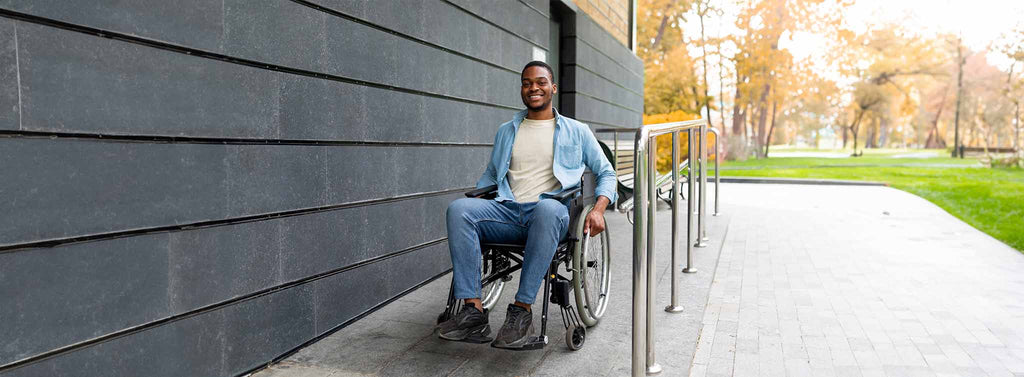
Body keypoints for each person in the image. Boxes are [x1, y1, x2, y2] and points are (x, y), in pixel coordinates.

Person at [437, 61, 617, 349]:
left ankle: (521, 311)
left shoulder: (577, 131)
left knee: (547, 208)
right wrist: (480, 198)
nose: (533, 87)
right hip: (508, 211)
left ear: (553, 88)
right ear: (522, 88)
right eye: (527, 83)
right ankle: (473, 311)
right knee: (459, 209)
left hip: (551, 214)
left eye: (541, 82)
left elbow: (606, 172)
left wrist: (598, 209)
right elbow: (491, 174)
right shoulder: (507, 130)